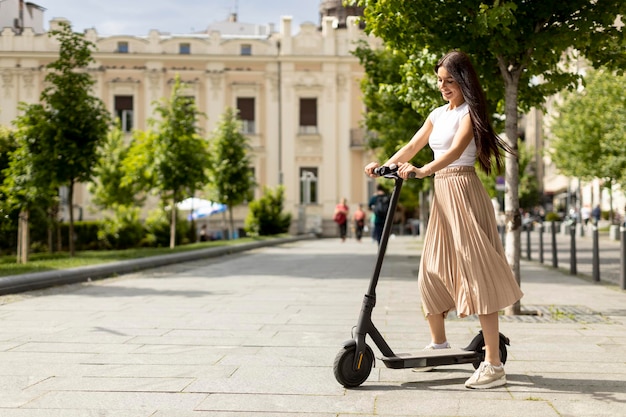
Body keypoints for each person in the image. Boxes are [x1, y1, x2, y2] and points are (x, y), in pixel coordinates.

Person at [365, 51, 523, 389]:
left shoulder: (471, 113)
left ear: (464, 81)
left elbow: (453, 153)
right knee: (431, 269)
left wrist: (423, 170)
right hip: (442, 195)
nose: (443, 86)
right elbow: (412, 145)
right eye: (440, 80)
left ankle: (494, 365)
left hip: (463, 189)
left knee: (478, 274)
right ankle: (438, 343)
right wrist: (385, 164)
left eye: (450, 80)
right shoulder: (437, 114)